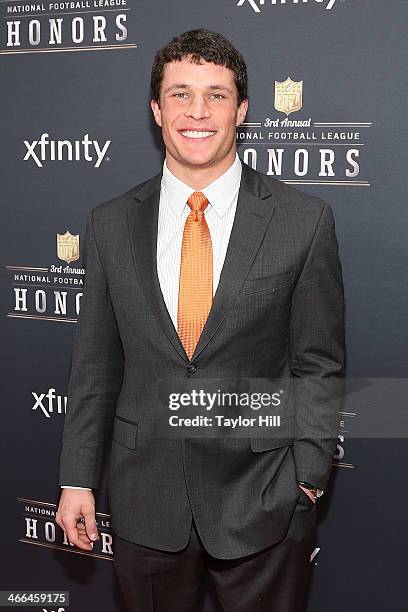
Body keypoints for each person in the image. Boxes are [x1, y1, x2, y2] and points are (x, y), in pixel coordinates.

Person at [56, 28, 345, 612]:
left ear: (241, 109)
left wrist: (307, 478)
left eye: (216, 94)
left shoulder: (302, 220)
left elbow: (318, 362)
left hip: (263, 497)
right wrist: (77, 478)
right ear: (156, 108)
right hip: (144, 499)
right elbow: (94, 366)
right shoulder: (110, 223)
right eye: (181, 93)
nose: (197, 111)